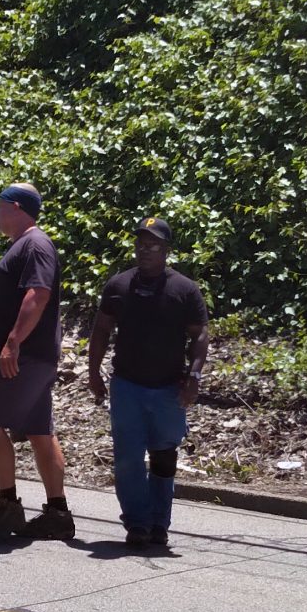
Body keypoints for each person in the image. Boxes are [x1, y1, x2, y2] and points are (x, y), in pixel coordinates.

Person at [87, 216, 210, 548]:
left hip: (169, 388)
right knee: (128, 459)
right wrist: (94, 371)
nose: (145, 250)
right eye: (141, 244)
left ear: (166, 250)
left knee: (163, 457)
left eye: (153, 245)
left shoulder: (184, 290)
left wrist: (194, 377)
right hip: (127, 386)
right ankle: (137, 523)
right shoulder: (119, 286)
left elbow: (200, 336)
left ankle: (159, 523)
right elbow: (101, 329)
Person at [0, 182, 74, 541]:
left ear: (15, 207)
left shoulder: (35, 244)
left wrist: (13, 343)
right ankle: (57, 513)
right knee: (40, 432)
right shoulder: (26, 244)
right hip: (34, 356)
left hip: (25, 356)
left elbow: (39, 294)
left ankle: (8, 507)